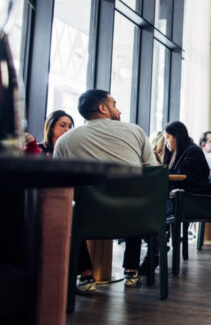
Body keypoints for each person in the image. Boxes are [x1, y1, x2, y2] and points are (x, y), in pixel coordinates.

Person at [54, 89, 157, 291]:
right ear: (103, 107)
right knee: (135, 194)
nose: (118, 110)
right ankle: (132, 270)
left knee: (68, 210)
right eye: (114, 104)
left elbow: (60, 184)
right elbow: (152, 172)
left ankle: (85, 276)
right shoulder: (135, 131)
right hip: (135, 217)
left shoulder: (65, 141)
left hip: (88, 218)